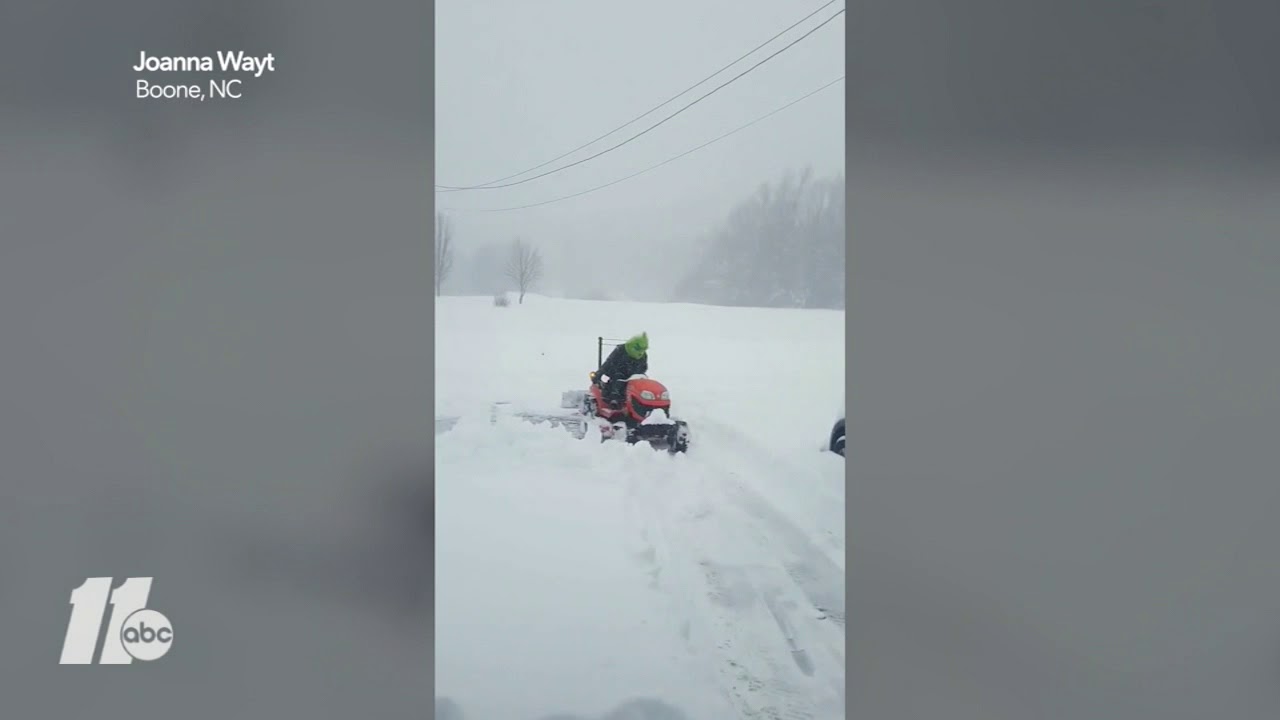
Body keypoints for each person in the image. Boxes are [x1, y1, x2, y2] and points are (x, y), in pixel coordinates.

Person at [596, 332, 648, 407]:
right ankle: (615, 399)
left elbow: (644, 367)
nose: (640, 353)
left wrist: (640, 375)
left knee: (643, 382)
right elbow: (609, 363)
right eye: (638, 349)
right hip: (618, 374)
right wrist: (598, 374)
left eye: (643, 350)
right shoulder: (620, 350)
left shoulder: (643, 355)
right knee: (618, 379)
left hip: (634, 377)